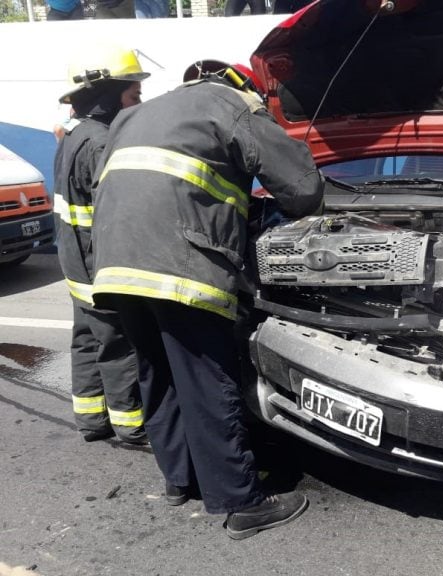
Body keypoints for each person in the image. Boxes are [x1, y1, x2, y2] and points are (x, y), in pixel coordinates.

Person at [90, 59, 324, 539]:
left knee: (157, 371)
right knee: (205, 379)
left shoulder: (137, 115)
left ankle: (181, 479)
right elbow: (303, 191)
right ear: (247, 89)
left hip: (115, 260)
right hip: (178, 265)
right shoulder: (231, 105)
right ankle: (241, 502)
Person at [53, 47, 150, 445]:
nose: (139, 102)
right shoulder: (100, 143)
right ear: (107, 95)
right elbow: (119, 209)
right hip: (98, 259)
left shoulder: (75, 133)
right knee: (118, 340)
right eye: (132, 95)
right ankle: (131, 424)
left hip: (75, 257)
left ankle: (92, 420)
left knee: (87, 337)